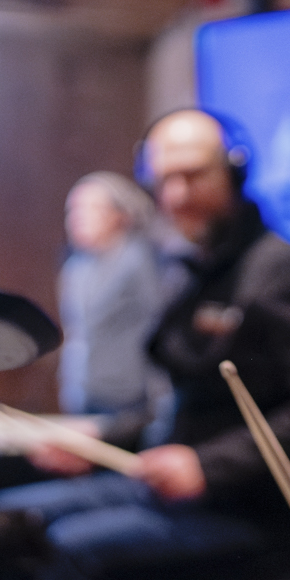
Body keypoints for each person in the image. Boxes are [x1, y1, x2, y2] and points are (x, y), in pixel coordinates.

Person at [0, 109, 290, 580]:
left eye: (193, 175)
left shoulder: (280, 271)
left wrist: (207, 465)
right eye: (165, 180)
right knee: (1, 524)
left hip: (255, 514)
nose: (177, 195)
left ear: (235, 173)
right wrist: (99, 437)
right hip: (180, 496)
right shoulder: (195, 270)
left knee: (63, 547)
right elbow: (184, 408)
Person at [54, 171, 175, 431]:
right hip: (82, 392)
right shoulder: (76, 267)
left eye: (90, 209)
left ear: (120, 215)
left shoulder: (139, 260)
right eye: (73, 210)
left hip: (128, 400)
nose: (77, 218)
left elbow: (159, 323)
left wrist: (160, 401)